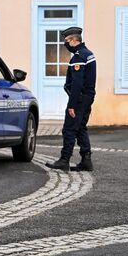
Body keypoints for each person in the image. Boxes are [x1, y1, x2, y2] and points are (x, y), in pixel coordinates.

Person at [46, 27, 96, 172]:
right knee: (80, 127)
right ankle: (86, 160)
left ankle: (64, 160)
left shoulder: (79, 57)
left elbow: (77, 84)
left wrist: (72, 105)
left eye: (67, 40)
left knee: (69, 129)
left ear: (74, 40)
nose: (66, 44)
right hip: (88, 97)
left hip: (79, 99)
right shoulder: (89, 54)